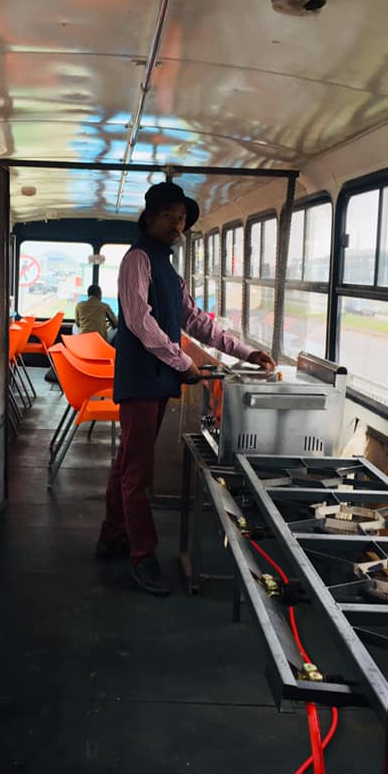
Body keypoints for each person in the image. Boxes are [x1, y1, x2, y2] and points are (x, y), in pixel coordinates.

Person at [96, 181, 275, 597]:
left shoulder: (166, 267)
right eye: (168, 216)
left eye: (181, 218)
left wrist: (246, 353)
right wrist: (182, 362)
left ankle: (111, 535)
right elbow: (139, 321)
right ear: (149, 218)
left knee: (127, 462)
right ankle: (142, 557)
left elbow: (196, 321)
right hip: (142, 379)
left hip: (155, 378)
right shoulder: (137, 260)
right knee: (137, 473)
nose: (177, 224)